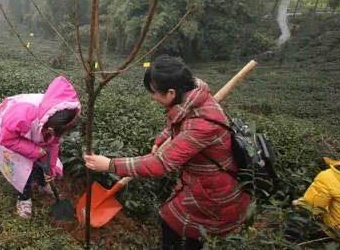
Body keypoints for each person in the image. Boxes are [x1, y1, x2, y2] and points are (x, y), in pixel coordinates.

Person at [84, 55, 250, 250]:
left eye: (154, 92)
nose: (153, 97)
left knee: (177, 221)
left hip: (215, 193)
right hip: (200, 183)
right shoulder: (190, 95)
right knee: (181, 222)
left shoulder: (202, 125)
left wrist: (110, 164)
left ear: (171, 93)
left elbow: (160, 164)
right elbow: (179, 122)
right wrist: (162, 138)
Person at [0, 76, 80, 218]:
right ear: (49, 122)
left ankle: (42, 183)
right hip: (11, 139)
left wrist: (50, 169)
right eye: (53, 131)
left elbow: (53, 145)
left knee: (42, 162)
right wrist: (34, 150)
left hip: (37, 135)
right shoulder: (22, 115)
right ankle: (24, 198)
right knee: (20, 171)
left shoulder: (61, 119)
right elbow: (7, 139)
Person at [285, 133, 340, 245]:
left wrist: (298, 203)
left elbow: (309, 208)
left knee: (302, 212)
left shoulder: (330, 176)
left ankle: (287, 241)